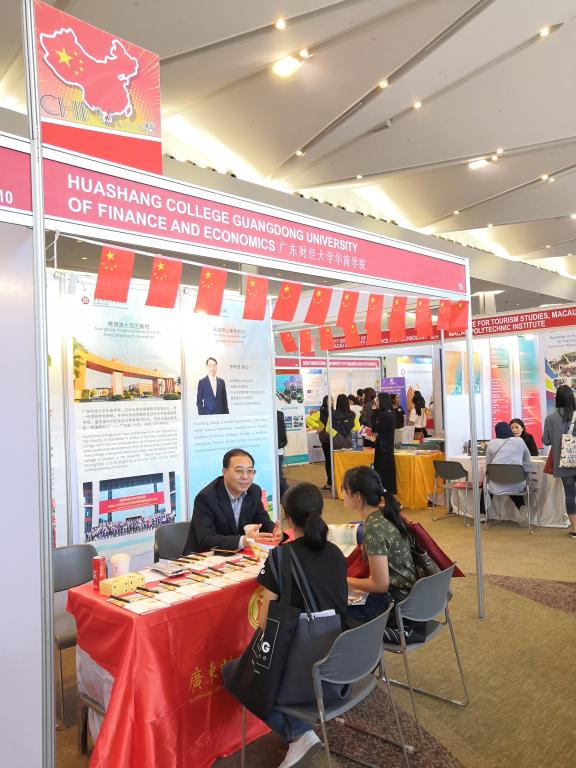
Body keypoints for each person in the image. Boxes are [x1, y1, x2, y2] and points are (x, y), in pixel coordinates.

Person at [254, 483, 348, 766]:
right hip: (340, 661)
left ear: (288, 518)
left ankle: (297, 733)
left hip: (301, 665)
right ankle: (300, 730)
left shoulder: (281, 556)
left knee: (238, 674)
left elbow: (264, 623)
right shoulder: (336, 552)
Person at [343, 466, 416, 624]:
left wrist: (343, 580)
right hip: (412, 595)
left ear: (357, 496)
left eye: (344, 488)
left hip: (397, 603)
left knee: (333, 606)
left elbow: (380, 585)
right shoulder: (386, 514)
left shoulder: (373, 529)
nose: (342, 492)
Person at [183, 449, 283, 553]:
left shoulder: (254, 491)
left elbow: (263, 521)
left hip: (236, 555)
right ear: (224, 472)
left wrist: (275, 531)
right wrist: (243, 541)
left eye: (250, 471)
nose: (245, 477)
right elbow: (206, 539)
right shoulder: (206, 497)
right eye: (239, 471)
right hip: (205, 556)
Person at [543, 384, 576, 538]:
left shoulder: (550, 419)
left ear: (557, 399)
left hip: (564, 463)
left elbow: (546, 440)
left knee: (570, 495)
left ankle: (574, 529)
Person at [483, 422, 532, 522]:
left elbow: (488, 464)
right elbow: (527, 458)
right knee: (511, 481)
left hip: (496, 481)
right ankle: (522, 508)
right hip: (516, 482)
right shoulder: (519, 441)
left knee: (488, 483)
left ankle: (482, 513)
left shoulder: (491, 443)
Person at [318, 394, 355, 491]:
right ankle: (350, 484)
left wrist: (337, 434)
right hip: (350, 442)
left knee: (337, 464)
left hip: (336, 443)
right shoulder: (353, 414)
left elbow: (328, 429)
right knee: (349, 463)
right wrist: (346, 433)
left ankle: (338, 485)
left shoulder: (332, 415)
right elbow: (357, 429)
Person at [371, 392, 397, 495]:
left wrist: (374, 413)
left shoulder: (384, 415)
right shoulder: (389, 413)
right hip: (386, 448)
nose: (376, 403)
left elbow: (375, 428)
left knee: (383, 473)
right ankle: (387, 495)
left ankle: (386, 495)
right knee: (386, 473)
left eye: (377, 401)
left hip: (383, 449)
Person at [277, 410, 289, 500]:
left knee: (279, 477)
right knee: (279, 476)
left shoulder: (277, 415)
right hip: (278, 450)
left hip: (276, 451)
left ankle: (288, 498)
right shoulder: (278, 414)